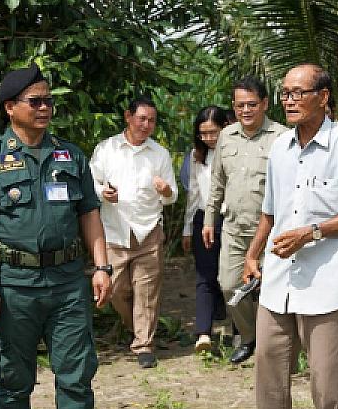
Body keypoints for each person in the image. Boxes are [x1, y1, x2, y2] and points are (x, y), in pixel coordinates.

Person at [0, 63, 112, 409]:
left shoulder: (71, 155)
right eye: (36, 101)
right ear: (11, 107)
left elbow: (89, 214)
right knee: (14, 371)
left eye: (49, 100)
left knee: (76, 368)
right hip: (15, 283)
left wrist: (100, 266)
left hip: (67, 281)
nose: (45, 108)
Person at [232, 64, 338, 409]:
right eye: (285, 93)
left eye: (299, 92)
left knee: (326, 373)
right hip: (280, 276)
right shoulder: (280, 147)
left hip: (328, 279)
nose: (290, 100)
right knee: (269, 362)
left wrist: (312, 232)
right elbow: (271, 211)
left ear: (323, 96)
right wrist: (253, 252)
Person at [202, 77, 288, 364]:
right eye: (240, 105)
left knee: (269, 289)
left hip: (271, 230)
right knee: (228, 284)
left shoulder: (282, 137)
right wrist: (209, 219)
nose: (246, 110)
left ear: (265, 104)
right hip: (234, 228)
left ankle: (273, 345)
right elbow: (217, 182)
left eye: (252, 104)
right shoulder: (226, 137)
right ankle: (250, 338)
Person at [90, 97, 178, 368]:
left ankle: (144, 345)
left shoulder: (159, 154)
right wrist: (102, 193)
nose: (146, 125)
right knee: (116, 289)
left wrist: (165, 191)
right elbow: (91, 182)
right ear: (128, 117)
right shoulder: (107, 149)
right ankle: (135, 327)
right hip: (115, 231)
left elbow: (172, 195)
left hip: (148, 230)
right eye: (141, 119)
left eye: (151, 120)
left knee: (147, 290)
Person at [181, 106, 230, 352]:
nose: (209, 138)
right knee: (205, 276)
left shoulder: (235, 152)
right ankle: (203, 332)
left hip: (230, 219)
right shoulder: (195, 156)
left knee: (231, 276)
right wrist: (187, 228)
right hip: (203, 220)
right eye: (203, 133)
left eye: (214, 132)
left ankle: (240, 330)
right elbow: (193, 192)